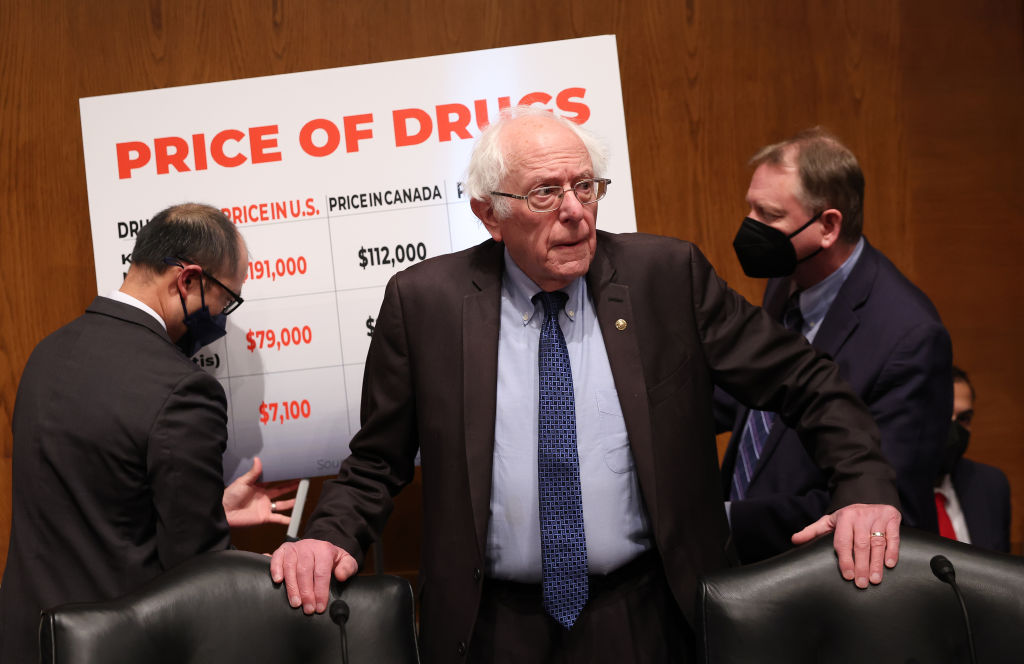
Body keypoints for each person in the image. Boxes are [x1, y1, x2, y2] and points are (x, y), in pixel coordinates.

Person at [270, 108, 902, 664]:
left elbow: (806, 379)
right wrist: (327, 537)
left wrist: (865, 488)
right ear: (491, 214)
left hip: (651, 614)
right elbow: (378, 460)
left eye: (584, 186)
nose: (574, 211)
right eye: (546, 192)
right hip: (492, 626)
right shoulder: (425, 303)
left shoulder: (665, 278)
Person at [0, 203, 295, 664]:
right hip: (117, 646)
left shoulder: (48, 352)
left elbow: (93, 505)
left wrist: (209, 507)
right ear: (189, 280)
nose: (223, 316)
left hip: (28, 642)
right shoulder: (182, 389)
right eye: (228, 299)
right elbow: (198, 573)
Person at [718, 128, 953, 563]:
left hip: (821, 582)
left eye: (768, 214)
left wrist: (723, 519)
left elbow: (876, 506)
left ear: (827, 226)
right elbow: (763, 389)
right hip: (746, 567)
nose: (749, 225)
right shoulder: (788, 280)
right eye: (750, 207)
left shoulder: (910, 338)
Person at [933, 366, 1011, 552]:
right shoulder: (880, 492)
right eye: (941, 415)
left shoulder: (990, 484)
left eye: (963, 419)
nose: (953, 430)